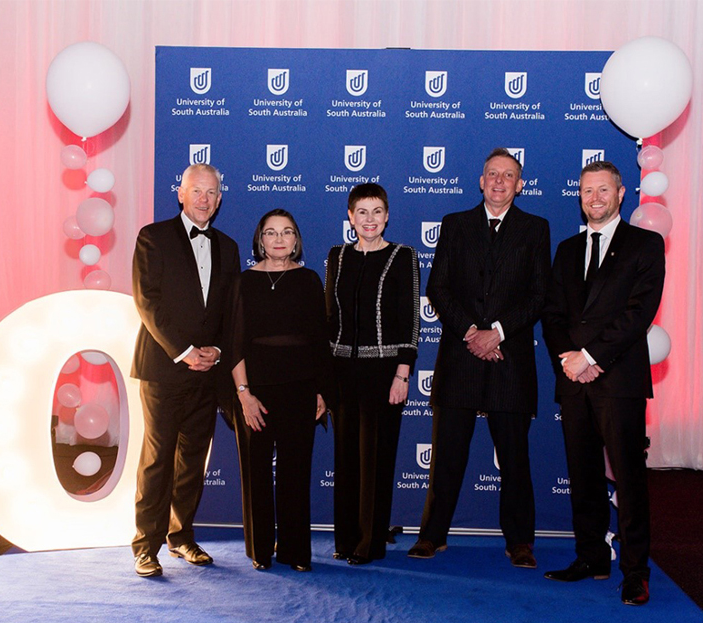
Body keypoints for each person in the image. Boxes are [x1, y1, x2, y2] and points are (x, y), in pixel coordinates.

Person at [408, 148, 550, 569]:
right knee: (448, 457)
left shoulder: (535, 229)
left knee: (515, 461)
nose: (500, 181)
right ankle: (432, 536)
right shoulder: (455, 225)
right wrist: (472, 333)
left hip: (511, 360)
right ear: (481, 180)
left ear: (520, 184)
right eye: (492, 174)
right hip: (461, 357)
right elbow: (439, 287)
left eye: (509, 175)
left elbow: (539, 295)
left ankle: (520, 542)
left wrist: (498, 333)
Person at [542, 161, 664, 606]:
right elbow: (552, 315)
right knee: (583, 476)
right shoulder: (567, 250)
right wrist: (572, 361)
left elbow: (639, 312)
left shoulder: (645, 244)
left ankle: (635, 573)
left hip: (619, 381)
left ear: (621, 192)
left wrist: (591, 357)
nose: (594, 198)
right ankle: (591, 557)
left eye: (603, 190)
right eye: (586, 190)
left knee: (629, 481)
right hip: (574, 382)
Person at [130, 163, 240, 577]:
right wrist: (185, 351)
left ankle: (181, 537)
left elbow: (229, 311)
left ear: (219, 198)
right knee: (158, 459)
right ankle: (146, 545)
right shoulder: (153, 237)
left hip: (207, 372)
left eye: (212, 193)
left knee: (193, 459)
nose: (204, 199)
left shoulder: (227, 247)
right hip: (164, 368)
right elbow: (147, 302)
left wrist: (215, 352)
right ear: (181, 193)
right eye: (197, 191)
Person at [227, 209, 331, 572]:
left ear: (296, 239)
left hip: (301, 389)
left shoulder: (308, 280)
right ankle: (260, 550)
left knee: (295, 471)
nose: (279, 239)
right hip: (257, 390)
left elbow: (321, 341)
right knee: (256, 470)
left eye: (287, 232)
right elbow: (235, 342)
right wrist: (243, 393)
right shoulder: (243, 282)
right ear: (260, 240)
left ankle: (295, 550)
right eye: (271, 233)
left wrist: (322, 391)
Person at [326, 183, 419, 565]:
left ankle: (371, 542)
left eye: (377, 211)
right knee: (346, 458)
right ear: (350, 216)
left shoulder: (403, 256)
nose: (369, 219)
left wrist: (402, 374)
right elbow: (329, 319)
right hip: (341, 370)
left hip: (383, 372)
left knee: (376, 460)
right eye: (361, 212)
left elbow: (411, 320)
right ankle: (346, 539)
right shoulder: (337, 256)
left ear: (387, 215)